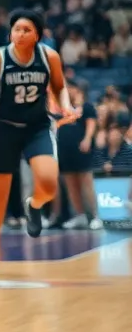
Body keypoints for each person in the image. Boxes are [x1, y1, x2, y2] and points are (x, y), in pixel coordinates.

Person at [0, 9, 77, 275]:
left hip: (37, 127)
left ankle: (34, 205)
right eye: (16, 29)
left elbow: (59, 87)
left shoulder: (49, 57)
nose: (19, 34)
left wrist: (65, 105)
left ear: (37, 36)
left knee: (49, 183)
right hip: (4, 128)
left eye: (26, 30)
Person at [57, 83, 101, 230]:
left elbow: (91, 124)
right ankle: (79, 215)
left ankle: (94, 217)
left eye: (70, 88)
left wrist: (87, 138)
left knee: (86, 183)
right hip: (65, 151)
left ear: (78, 89)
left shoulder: (87, 107)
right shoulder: (63, 109)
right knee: (71, 184)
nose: (68, 91)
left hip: (81, 150)